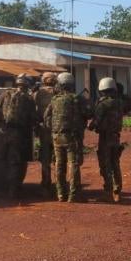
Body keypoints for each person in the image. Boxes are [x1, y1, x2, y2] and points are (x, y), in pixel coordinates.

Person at [0, 74, 37, 198]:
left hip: (1, 132)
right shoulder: (28, 99)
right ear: (27, 85)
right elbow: (33, 118)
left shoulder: (6, 94)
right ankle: (13, 190)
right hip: (17, 134)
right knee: (14, 162)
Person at [44, 72, 88, 202]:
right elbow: (88, 113)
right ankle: (73, 195)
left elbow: (47, 117)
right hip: (72, 137)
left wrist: (52, 130)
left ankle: (61, 194)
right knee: (73, 164)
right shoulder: (76, 99)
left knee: (59, 165)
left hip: (57, 136)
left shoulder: (54, 99)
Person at [91, 77, 124, 203]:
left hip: (105, 138)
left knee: (105, 165)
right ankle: (118, 191)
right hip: (116, 136)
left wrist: (91, 125)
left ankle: (108, 192)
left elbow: (97, 121)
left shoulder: (103, 104)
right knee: (115, 164)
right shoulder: (119, 102)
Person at [33, 72, 58, 194]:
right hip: (58, 129)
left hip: (44, 129)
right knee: (59, 158)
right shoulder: (59, 92)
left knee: (45, 158)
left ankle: (46, 184)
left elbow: (34, 110)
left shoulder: (38, 93)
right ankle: (60, 185)